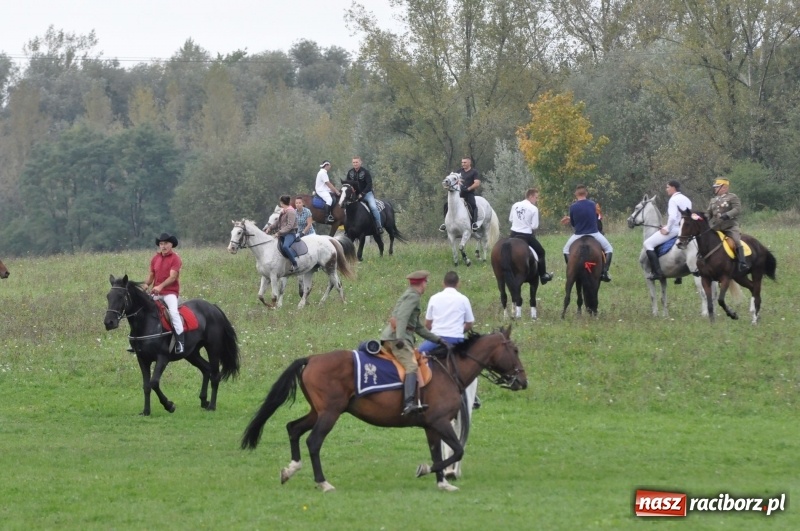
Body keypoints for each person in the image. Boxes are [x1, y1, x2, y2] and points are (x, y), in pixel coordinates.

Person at [418, 271, 477, 480]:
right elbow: (470, 324)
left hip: (436, 340)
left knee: (416, 357)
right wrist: (459, 329)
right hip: (457, 341)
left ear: (443, 283)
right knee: (470, 366)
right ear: (458, 283)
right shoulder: (463, 299)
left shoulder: (435, 298)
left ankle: (415, 390)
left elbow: (428, 325)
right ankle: (474, 397)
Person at [380, 270, 446, 416]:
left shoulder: (411, 295)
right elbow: (402, 317)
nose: (426, 285)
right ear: (421, 283)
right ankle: (408, 404)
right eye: (426, 282)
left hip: (396, 336)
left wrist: (438, 340)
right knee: (412, 366)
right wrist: (400, 338)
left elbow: (418, 327)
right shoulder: (413, 297)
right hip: (397, 338)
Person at [560, 184, 614, 282]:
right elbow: (595, 218)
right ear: (586, 193)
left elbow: (574, 224)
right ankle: (605, 272)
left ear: (576, 194)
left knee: (565, 250)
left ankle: (572, 271)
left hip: (578, 235)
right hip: (594, 233)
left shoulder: (573, 207)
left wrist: (570, 219)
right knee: (609, 249)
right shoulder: (593, 204)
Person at [644, 179, 693, 280]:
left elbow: (673, 217)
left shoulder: (673, 200)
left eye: (668, 187)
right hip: (686, 229)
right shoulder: (687, 199)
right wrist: (667, 225)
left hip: (675, 229)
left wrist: (667, 229)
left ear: (673, 188)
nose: (666, 189)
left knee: (648, 244)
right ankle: (678, 276)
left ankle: (657, 272)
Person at [145, 233, 184, 354]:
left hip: (170, 293)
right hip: (156, 292)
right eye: (161, 244)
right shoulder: (155, 259)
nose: (163, 246)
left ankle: (180, 342)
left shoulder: (175, 259)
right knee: (143, 310)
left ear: (171, 244)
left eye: (166, 243)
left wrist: (160, 286)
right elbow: (151, 275)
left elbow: (173, 277)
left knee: (173, 313)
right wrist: (146, 284)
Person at [509, 188, 554, 285]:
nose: (537, 200)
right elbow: (534, 226)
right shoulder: (533, 208)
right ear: (530, 196)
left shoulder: (515, 205)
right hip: (526, 235)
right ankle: (543, 275)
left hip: (513, 234)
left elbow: (511, 219)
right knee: (541, 252)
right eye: (536, 197)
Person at [706, 177, 747, 272]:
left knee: (736, 241)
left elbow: (737, 209)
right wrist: (702, 218)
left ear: (724, 187)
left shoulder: (732, 197)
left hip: (730, 226)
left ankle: (742, 262)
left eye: (717, 187)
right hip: (716, 227)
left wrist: (727, 215)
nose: (715, 189)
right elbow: (708, 213)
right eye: (715, 187)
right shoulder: (713, 200)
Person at [439, 157, 482, 232]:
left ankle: (474, 223)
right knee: (446, 205)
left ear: (469, 163)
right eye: (462, 162)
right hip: (459, 193)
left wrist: (468, 188)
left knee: (473, 205)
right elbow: (455, 180)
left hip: (469, 193)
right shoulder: (459, 171)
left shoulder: (474, 172)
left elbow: (477, 183)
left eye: (465, 162)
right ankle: (445, 224)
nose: (463, 164)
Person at [346, 156, 383, 234]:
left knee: (373, 207)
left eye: (356, 162)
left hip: (367, 194)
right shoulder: (350, 172)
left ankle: (378, 226)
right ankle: (347, 227)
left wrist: (362, 193)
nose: (355, 164)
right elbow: (347, 184)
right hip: (355, 195)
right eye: (353, 162)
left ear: (360, 162)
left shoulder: (365, 172)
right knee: (347, 207)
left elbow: (369, 184)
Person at [266, 195, 299, 272]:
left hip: (290, 234)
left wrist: (279, 232)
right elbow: (278, 222)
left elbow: (290, 226)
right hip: (282, 234)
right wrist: (270, 228)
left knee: (285, 246)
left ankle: (295, 264)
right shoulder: (283, 211)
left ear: (281, 202)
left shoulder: (291, 212)